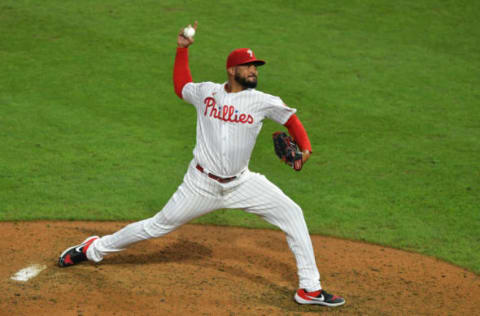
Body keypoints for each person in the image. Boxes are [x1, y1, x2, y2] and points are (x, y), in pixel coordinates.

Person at [58, 21, 345, 307]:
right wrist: (182, 50)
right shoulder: (207, 93)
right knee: (157, 226)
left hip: (242, 184)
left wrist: (305, 149)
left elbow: (291, 120)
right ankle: (92, 248)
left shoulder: (263, 101)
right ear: (232, 71)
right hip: (200, 184)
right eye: (248, 66)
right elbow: (181, 86)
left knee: (293, 214)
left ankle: (309, 288)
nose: (254, 70)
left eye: (255, 66)